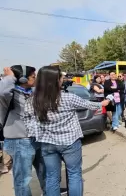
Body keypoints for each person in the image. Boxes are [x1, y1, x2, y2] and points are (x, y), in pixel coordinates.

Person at [23, 66, 110, 196]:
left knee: (52, 177)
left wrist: (38, 133)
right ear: (55, 80)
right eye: (61, 78)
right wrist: (104, 103)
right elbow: (90, 105)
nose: (63, 80)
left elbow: (27, 120)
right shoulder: (68, 98)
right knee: (74, 174)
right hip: (70, 142)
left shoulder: (32, 101)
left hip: (47, 144)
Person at [0, 65, 47, 196]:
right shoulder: (10, 95)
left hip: (35, 138)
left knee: (45, 171)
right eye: (33, 76)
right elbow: (2, 91)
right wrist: (9, 77)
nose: (36, 78)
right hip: (19, 141)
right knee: (23, 179)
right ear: (22, 79)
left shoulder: (29, 92)